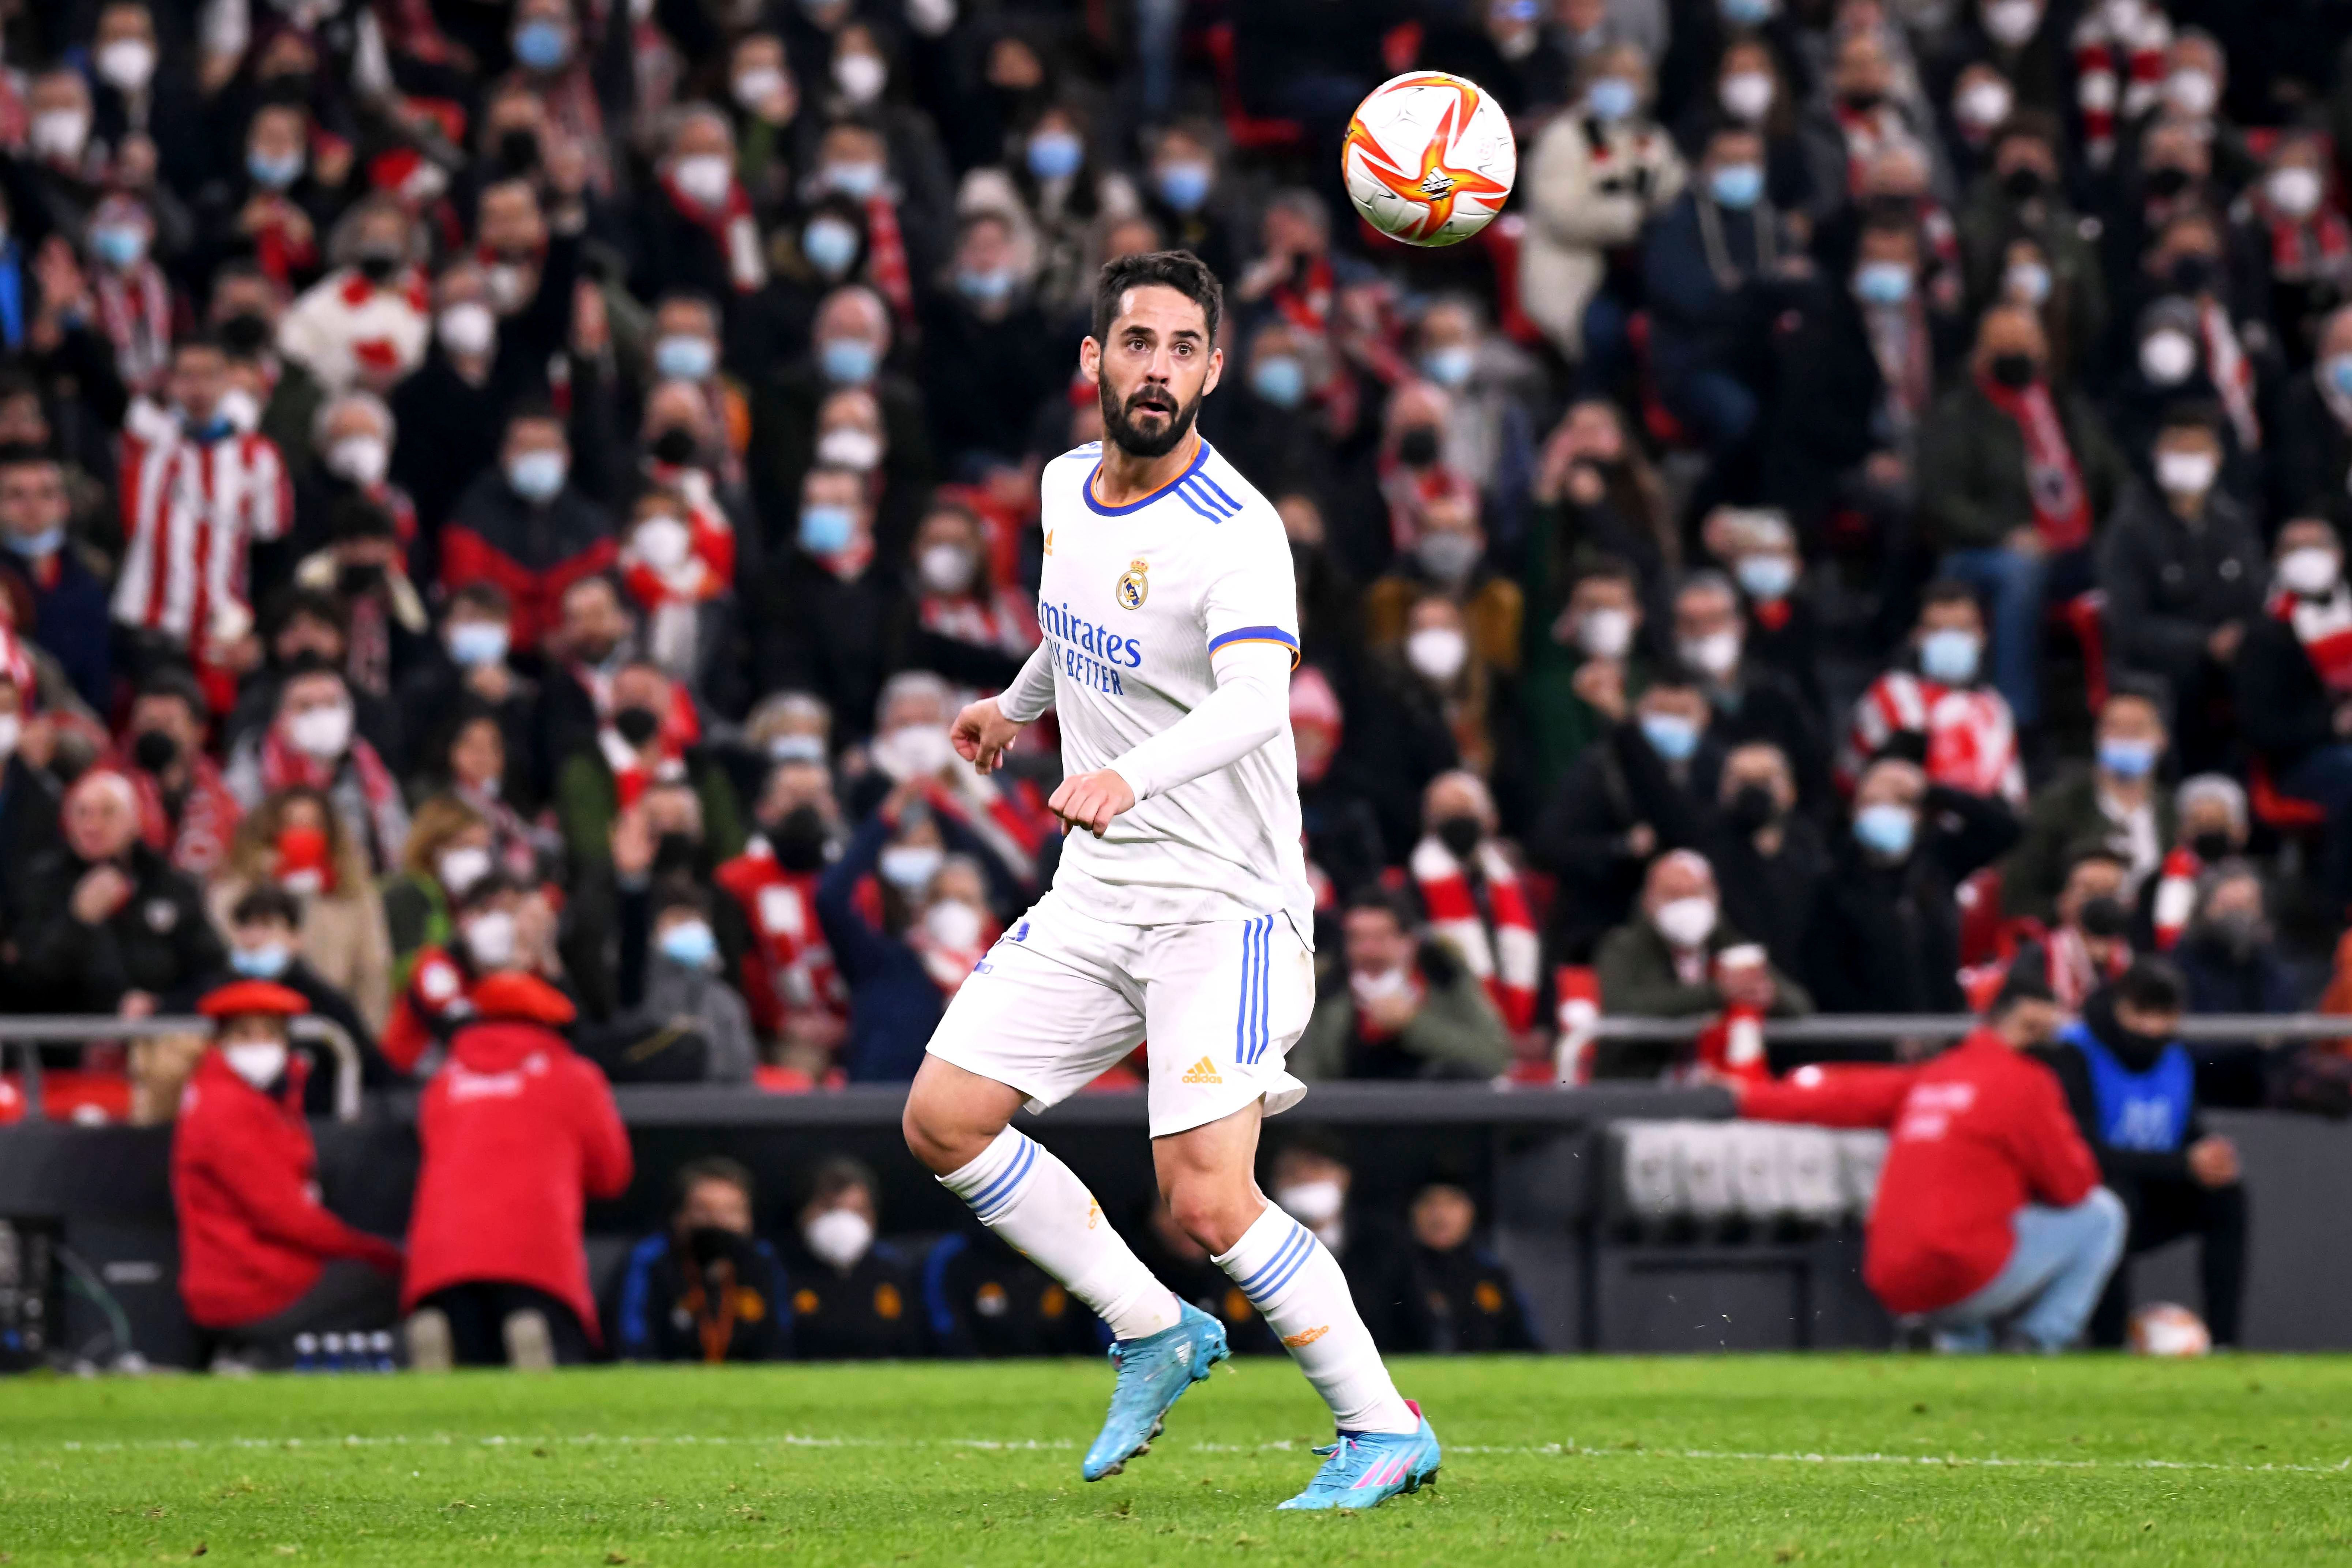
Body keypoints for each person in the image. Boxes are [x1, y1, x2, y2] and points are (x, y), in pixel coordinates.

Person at [899, 252, 1439, 1509]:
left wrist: (1130, 777)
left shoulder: (1237, 531)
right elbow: (1080, 626)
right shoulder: (1060, 489)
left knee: (1205, 1197)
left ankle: (1382, 1426)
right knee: (943, 1117)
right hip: (1102, 891)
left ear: (1214, 368)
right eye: (1136, 342)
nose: (1157, 367)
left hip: (1225, 903)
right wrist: (1013, 703)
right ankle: (1154, 1327)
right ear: (1093, 361)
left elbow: (1258, 700)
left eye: (1183, 347)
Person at [1738, 969, 2126, 1352]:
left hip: (1893, 1276)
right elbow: (2073, 1188)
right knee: (2104, 1214)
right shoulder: (2027, 1082)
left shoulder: (1932, 1076)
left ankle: (1947, 1340)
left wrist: (1741, 1099)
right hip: (1965, 1269)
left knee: (1975, 1256)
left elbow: (1837, 1096)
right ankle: (2037, 1340)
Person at [402, 971, 632, 1370]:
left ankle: (444, 1334)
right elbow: (612, 1174)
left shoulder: (443, 1081)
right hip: (537, 1259)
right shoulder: (574, 1076)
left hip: (442, 1261)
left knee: (469, 1380)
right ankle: (533, 1340)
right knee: (557, 1354)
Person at [169, 980, 404, 1368]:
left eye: (270, 1034)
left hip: (236, 1276)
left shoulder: (246, 1098)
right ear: (221, 1041)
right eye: (246, 1034)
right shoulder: (230, 1107)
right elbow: (284, 1215)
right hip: (251, 1280)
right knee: (385, 1282)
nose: (260, 1046)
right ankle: (265, 1358)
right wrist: (370, 1249)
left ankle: (258, 1355)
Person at [1916, 304, 2128, 730]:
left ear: (2044, 350)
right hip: (1985, 552)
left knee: (2130, 565)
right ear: (1980, 353)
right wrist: (2005, 534)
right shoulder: (1959, 412)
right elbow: (1939, 499)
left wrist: (2121, 532)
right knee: (2021, 572)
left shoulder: (2065, 405)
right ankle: (2017, 716)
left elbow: (2115, 475)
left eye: (2024, 343)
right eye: (2003, 344)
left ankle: (2122, 713)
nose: (2015, 352)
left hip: (2076, 546)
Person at [2037, 961, 2247, 1349]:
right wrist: (2183, 1164)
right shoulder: (2075, 1051)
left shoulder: (2176, 1058)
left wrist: (2208, 1157)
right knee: (2115, 1201)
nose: (2152, 1028)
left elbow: (2186, 1132)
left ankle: (2224, 1344)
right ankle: (2107, 1343)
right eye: (2141, 1013)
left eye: (2164, 1015)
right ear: (2119, 1006)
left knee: (2226, 1196)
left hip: (2153, 1189)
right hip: (2082, 1204)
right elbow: (2082, 1151)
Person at [1804, 757, 2021, 1015]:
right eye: (1872, 802)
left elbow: (2008, 829)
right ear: (1854, 813)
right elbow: (1824, 972)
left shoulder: (1940, 860)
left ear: (1919, 814)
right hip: (1869, 1037)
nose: (1884, 811)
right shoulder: (1833, 878)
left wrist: (1933, 791)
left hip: (1942, 1025)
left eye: (1900, 802)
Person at [1593, 850, 1812, 1074]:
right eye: (1674, 895)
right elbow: (1622, 1008)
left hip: (1720, 1087)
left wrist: (1771, 996)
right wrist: (1717, 993)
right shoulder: (1624, 948)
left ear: (1714, 896)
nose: (1687, 906)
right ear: (1649, 900)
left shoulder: (1731, 946)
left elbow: (1801, 1005)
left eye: (1695, 894)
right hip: (1642, 1088)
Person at [1290, 889, 1512, 1082]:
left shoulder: (1444, 975)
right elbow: (1308, 1072)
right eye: (1357, 938)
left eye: (1380, 938)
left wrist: (1413, 1023)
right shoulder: (1326, 986)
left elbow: (1492, 1057)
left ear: (1409, 942)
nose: (1368, 951)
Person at [1840, 579, 2024, 806]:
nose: (1950, 639)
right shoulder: (1890, 694)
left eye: (1961, 629)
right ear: (1918, 636)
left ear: (1981, 636)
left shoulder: (1995, 707)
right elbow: (1849, 781)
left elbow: (2013, 800)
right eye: (1937, 629)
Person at [2002, 687, 2176, 922]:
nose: (2124, 737)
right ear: (2097, 736)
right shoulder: (2056, 806)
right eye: (2113, 727)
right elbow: (2017, 896)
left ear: (2162, 739)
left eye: (2136, 729)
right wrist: (2063, 910)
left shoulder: (2172, 812)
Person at [606, 1157, 793, 1364]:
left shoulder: (763, 1260)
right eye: (703, 1210)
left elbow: (780, 1343)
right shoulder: (651, 1259)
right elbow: (633, 1344)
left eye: (731, 1211)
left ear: (748, 1219)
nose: (718, 1221)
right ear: (679, 1216)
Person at [778, 1157, 926, 1360]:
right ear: (803, 1212)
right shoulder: (776, 1271)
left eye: (857, 1211)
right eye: (831, 1210)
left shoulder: (896, 1273)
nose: (844, 1223)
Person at [1403, 1182, 1538, 1353]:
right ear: (1413, 1212)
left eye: (1452, 1202)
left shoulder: (1492, 1274)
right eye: (1429, 1203)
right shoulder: (1393, 1275)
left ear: (1470, 1211)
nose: (1440, 1214)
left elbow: (1524, 1343)